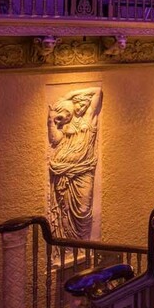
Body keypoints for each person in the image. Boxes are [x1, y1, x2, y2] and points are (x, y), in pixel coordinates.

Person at [47, 87, 103, 240]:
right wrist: (52, 121)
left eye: (85, 105)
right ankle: (69, 246)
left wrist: (70, 94)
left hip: (84, 170)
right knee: (64, 208)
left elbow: (97, 91)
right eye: (79, 104)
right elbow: (55, 140)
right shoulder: (66, 122)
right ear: (73, 105)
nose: (82, 108)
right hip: (62, 170)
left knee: (84, 210)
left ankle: (83, 245)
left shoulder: (90, 118)